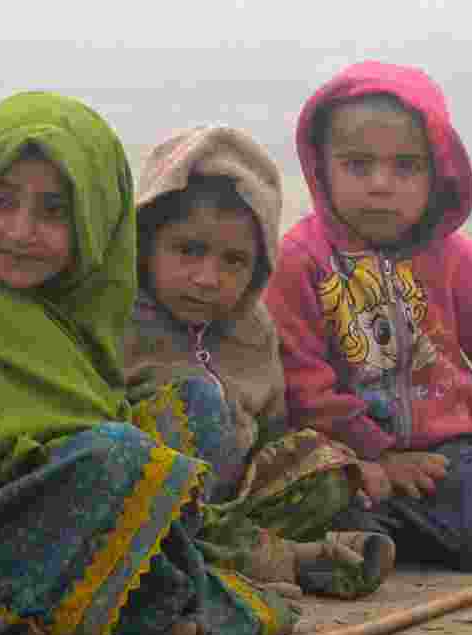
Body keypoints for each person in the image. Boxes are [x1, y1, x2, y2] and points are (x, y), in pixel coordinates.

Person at [0, 91, 299, 635]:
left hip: (35, 530)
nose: (21, 231)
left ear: (98, 223)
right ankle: (108, 606)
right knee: (117, 456)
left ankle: (117, 601)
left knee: (152, 437)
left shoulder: (86, 312)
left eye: (53, 211)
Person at [263, 61, 472, 573]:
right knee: (318, 523)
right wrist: (375, 455)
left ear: (437, 172)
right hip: (342, 457)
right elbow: (298, 375)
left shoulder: (459, 261)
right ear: (320, 166)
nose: (380, 184)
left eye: (405, 166)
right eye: (357, 164)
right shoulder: (299, 260)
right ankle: (397, 535)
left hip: (444, 458)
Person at [125, 124, 394, 598]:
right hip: (145, 500)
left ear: (259, 267)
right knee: (195, 399)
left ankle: (239, 552)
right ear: (146, 243)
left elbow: (270, 430)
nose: (207, 278)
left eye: (233, 261)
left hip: (232, 499)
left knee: (328, 467)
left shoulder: (252, 328)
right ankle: (262, 560)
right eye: (188, 250)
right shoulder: (117, 319)